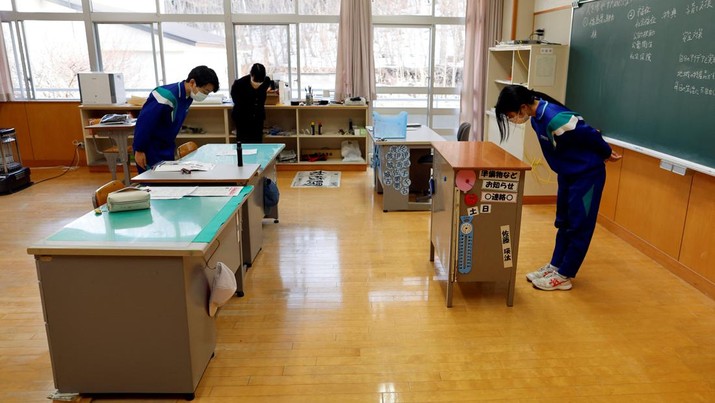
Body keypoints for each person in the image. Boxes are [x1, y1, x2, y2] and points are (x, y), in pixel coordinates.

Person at [494, 85, 622, 291]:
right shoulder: (536, 117)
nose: (512, 120)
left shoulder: (556, 118)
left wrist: (606, 152)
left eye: (511, 115)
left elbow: (590, 134)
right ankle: (555, 265)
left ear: (523, 107)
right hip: (568, 173)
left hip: (587, 175)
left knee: (579, 225)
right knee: (563, 221)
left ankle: (565, 274)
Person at [133, 65, 219, 173]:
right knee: (152, 185)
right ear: (192, 83)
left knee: (167, 182)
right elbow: (144, 123)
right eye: (205, 91)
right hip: (150, 148)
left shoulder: (187, 97)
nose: (205, 95)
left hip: (167, 146)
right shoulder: (165, 96)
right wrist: (139, 149)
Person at [231, 63, 274, 144]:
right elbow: (236, 101)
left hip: (258, 118)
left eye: (260, 81)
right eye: (255, 80)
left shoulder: (266, 81)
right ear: (251, 75)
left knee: (257, 143)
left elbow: (271, 86)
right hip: (242, 118)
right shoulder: (239, 84)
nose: (258, 83)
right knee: (244, 144)